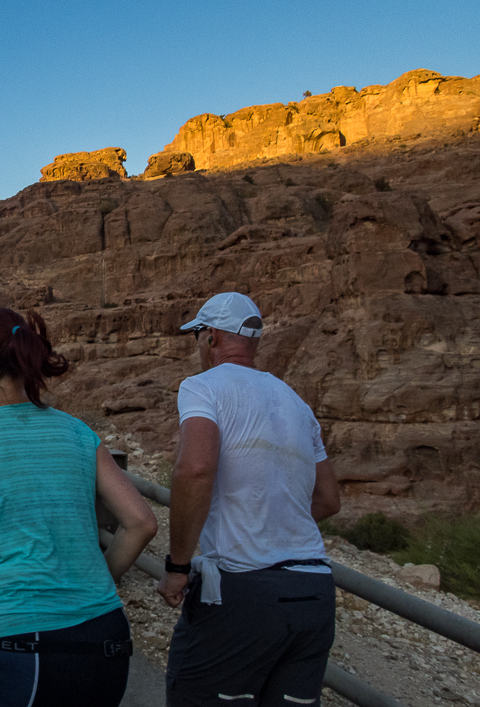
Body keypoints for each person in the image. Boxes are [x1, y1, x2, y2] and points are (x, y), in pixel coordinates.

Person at [0, 307, 157, 707]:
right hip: (106, 639)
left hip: (23, 645)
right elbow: (142, 523)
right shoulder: (78, 431)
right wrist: (98, 581)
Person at [156, 292, 341, 707]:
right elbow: (328, 500)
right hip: (313, 591)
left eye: (198, 336)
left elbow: (195, 470)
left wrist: (177, 567)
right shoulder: (297, 403)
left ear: (212, 338)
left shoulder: (203, 387)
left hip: (242, 594)